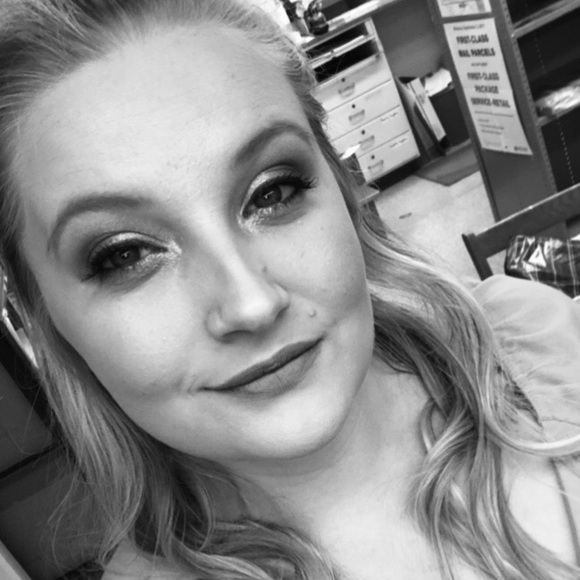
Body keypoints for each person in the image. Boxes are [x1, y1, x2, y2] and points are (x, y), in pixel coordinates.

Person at [0, 1, 579, 579]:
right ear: (42, 315)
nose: (252, 304)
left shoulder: (542, 345)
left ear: (343, 189)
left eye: (272, 193)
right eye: (124, 255)